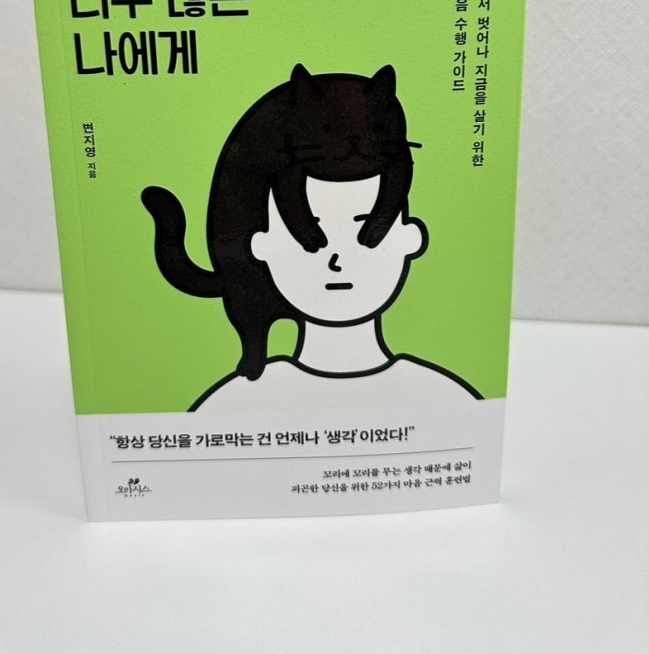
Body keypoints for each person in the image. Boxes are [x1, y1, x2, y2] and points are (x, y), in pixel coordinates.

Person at [141, 64, 481, 412]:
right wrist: (307, 233)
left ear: (413, 237)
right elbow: (288, 189)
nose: (337, 260)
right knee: (250, 305)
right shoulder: (230, 404)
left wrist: (373, 228)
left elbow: (397, 173)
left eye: (358, 223)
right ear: (259, 244)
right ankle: (253, 348)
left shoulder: (446, 399)